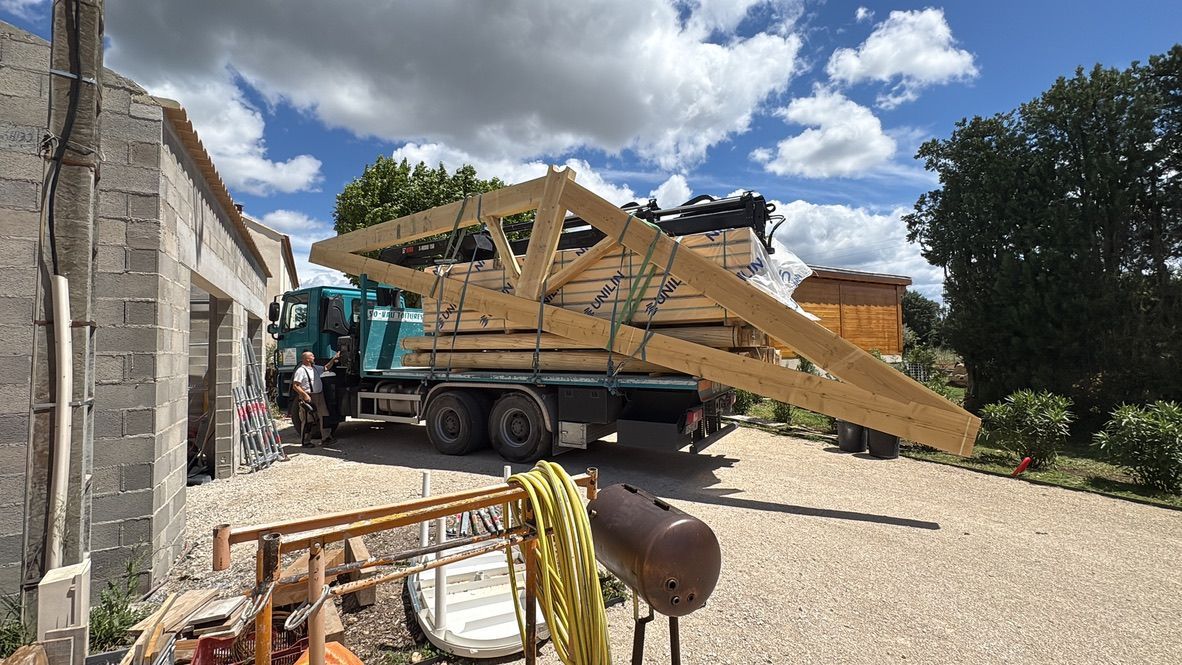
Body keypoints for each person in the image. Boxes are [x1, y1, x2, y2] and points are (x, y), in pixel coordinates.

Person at [291, 349, 339, 446]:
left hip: (319, 395)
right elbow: (295, 385)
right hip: (308, 396)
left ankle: (326, 438)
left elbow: (326, 368)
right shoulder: (301, 370)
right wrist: (305, 395)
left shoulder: (315, 368)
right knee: (308, 420)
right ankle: (306, 441)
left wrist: (333, 360)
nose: (314, 357)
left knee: (324, 416)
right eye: (312, 356)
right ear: (307, 359)